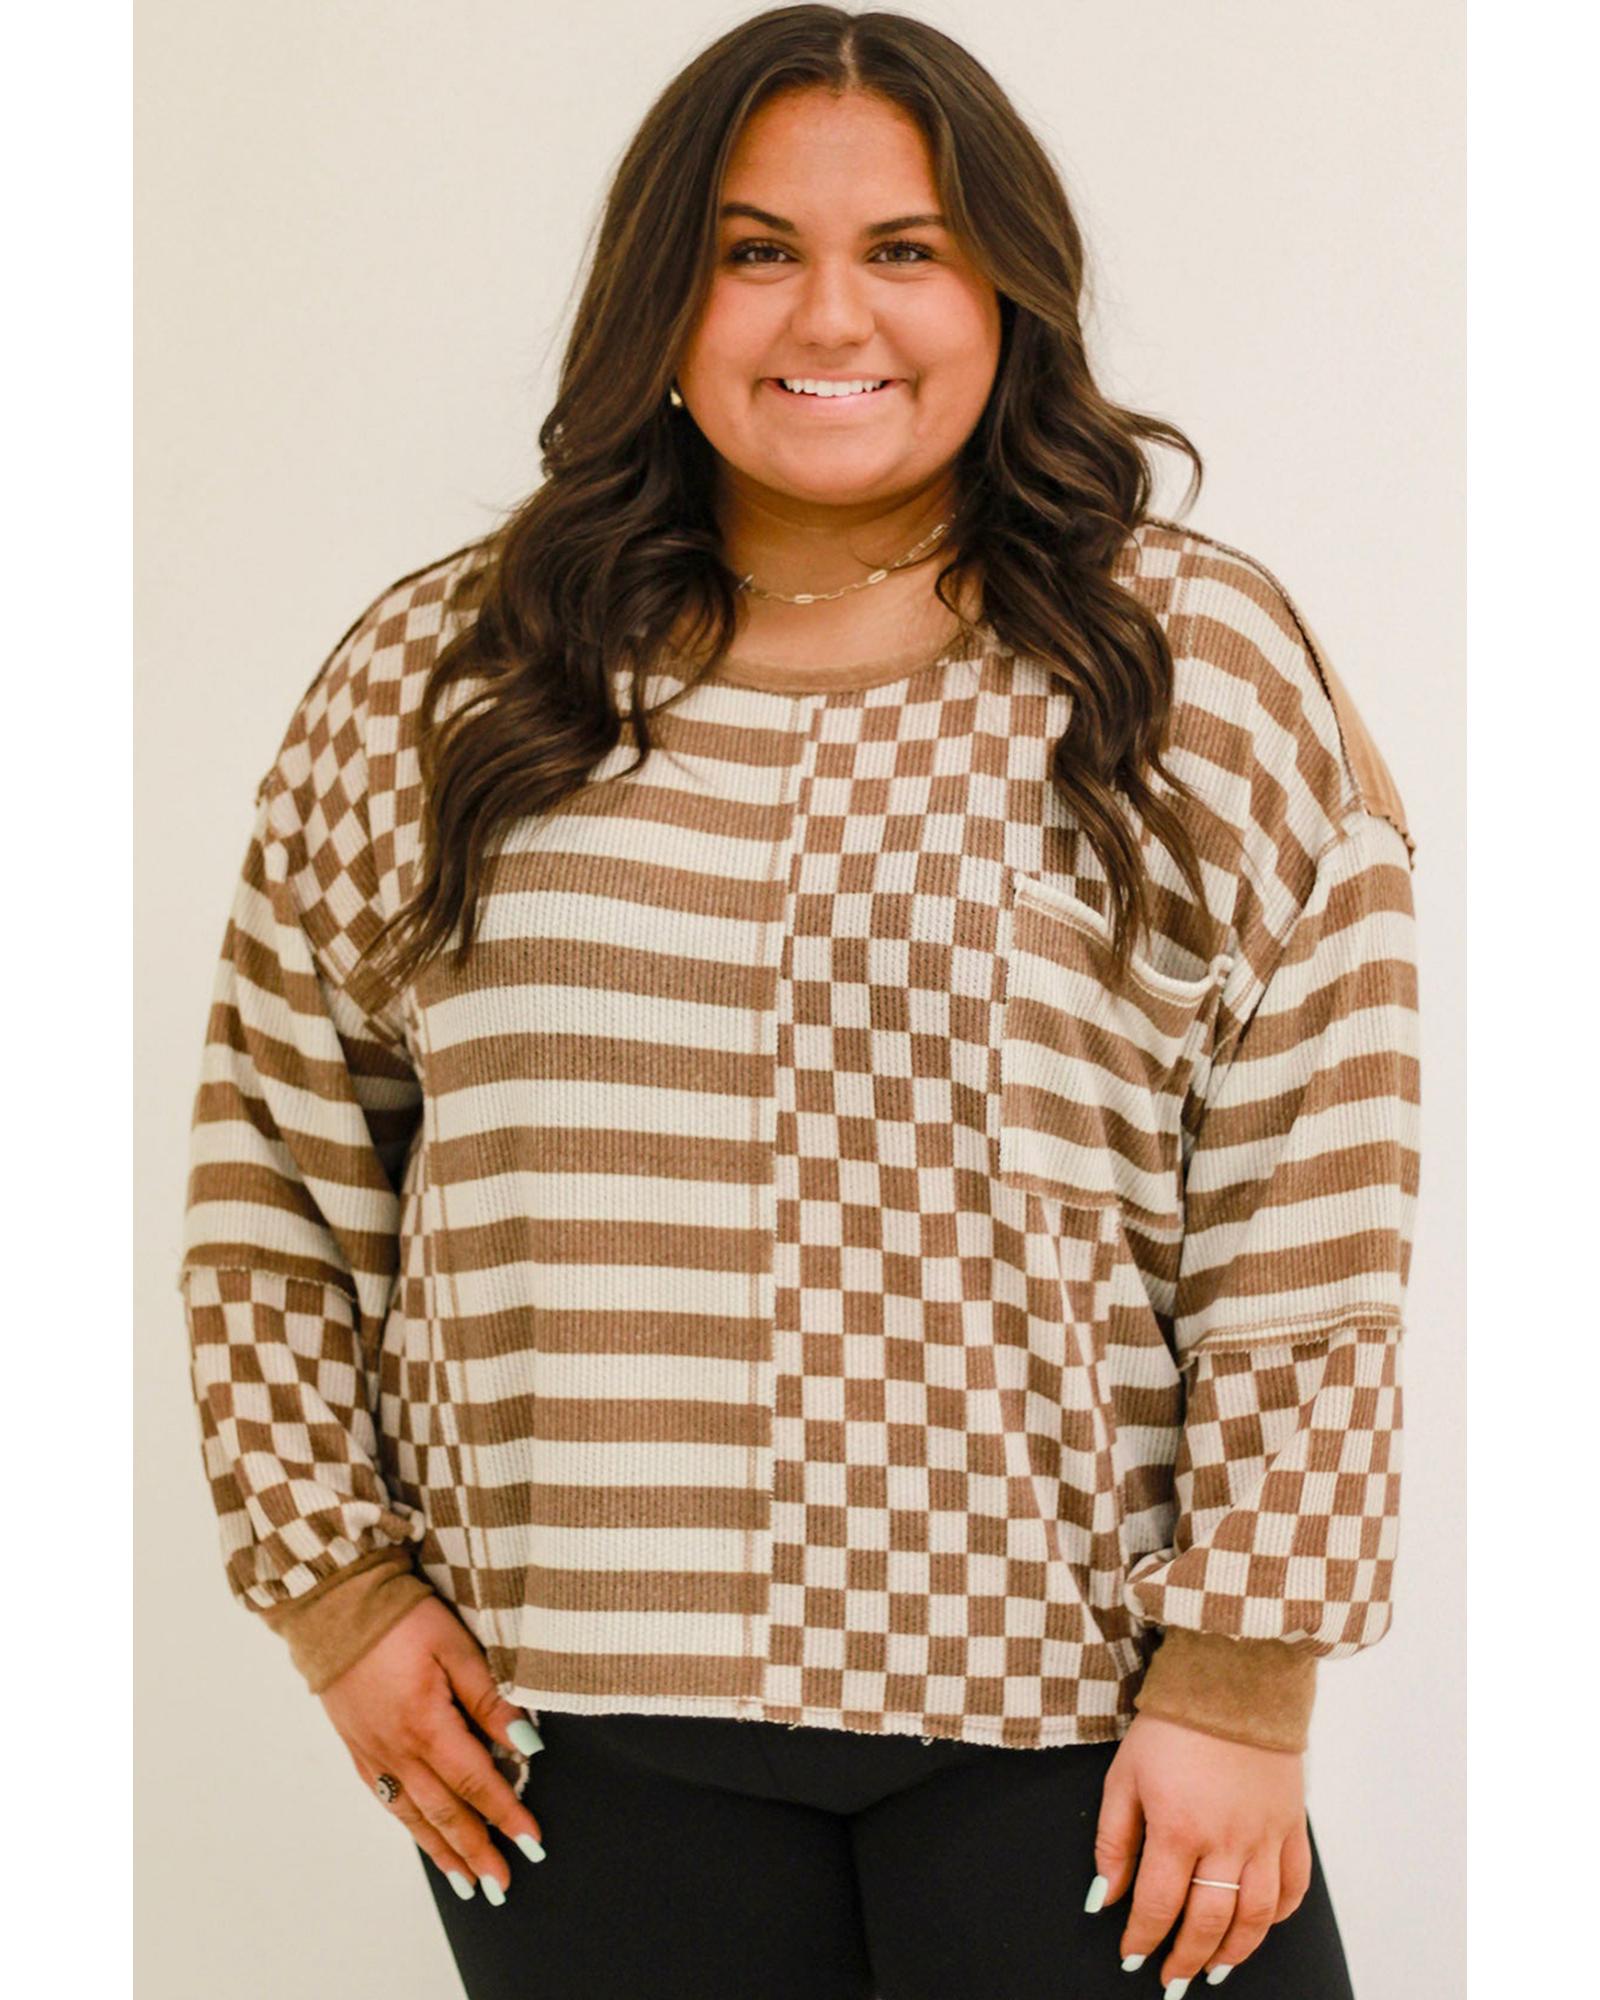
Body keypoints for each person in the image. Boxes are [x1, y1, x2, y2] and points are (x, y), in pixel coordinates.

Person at [175, 8, 1421, 1997]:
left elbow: (1311, 1210)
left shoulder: (1190, 665)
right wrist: (336, 1590)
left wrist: (1242, 1678)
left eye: (905, 248)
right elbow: (274, 1172)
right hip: (565, 1727)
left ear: (1006, 290)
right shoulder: (442, 678)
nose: (829, 314)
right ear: (658, 296)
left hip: (1084, 1721)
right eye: (754, 250)